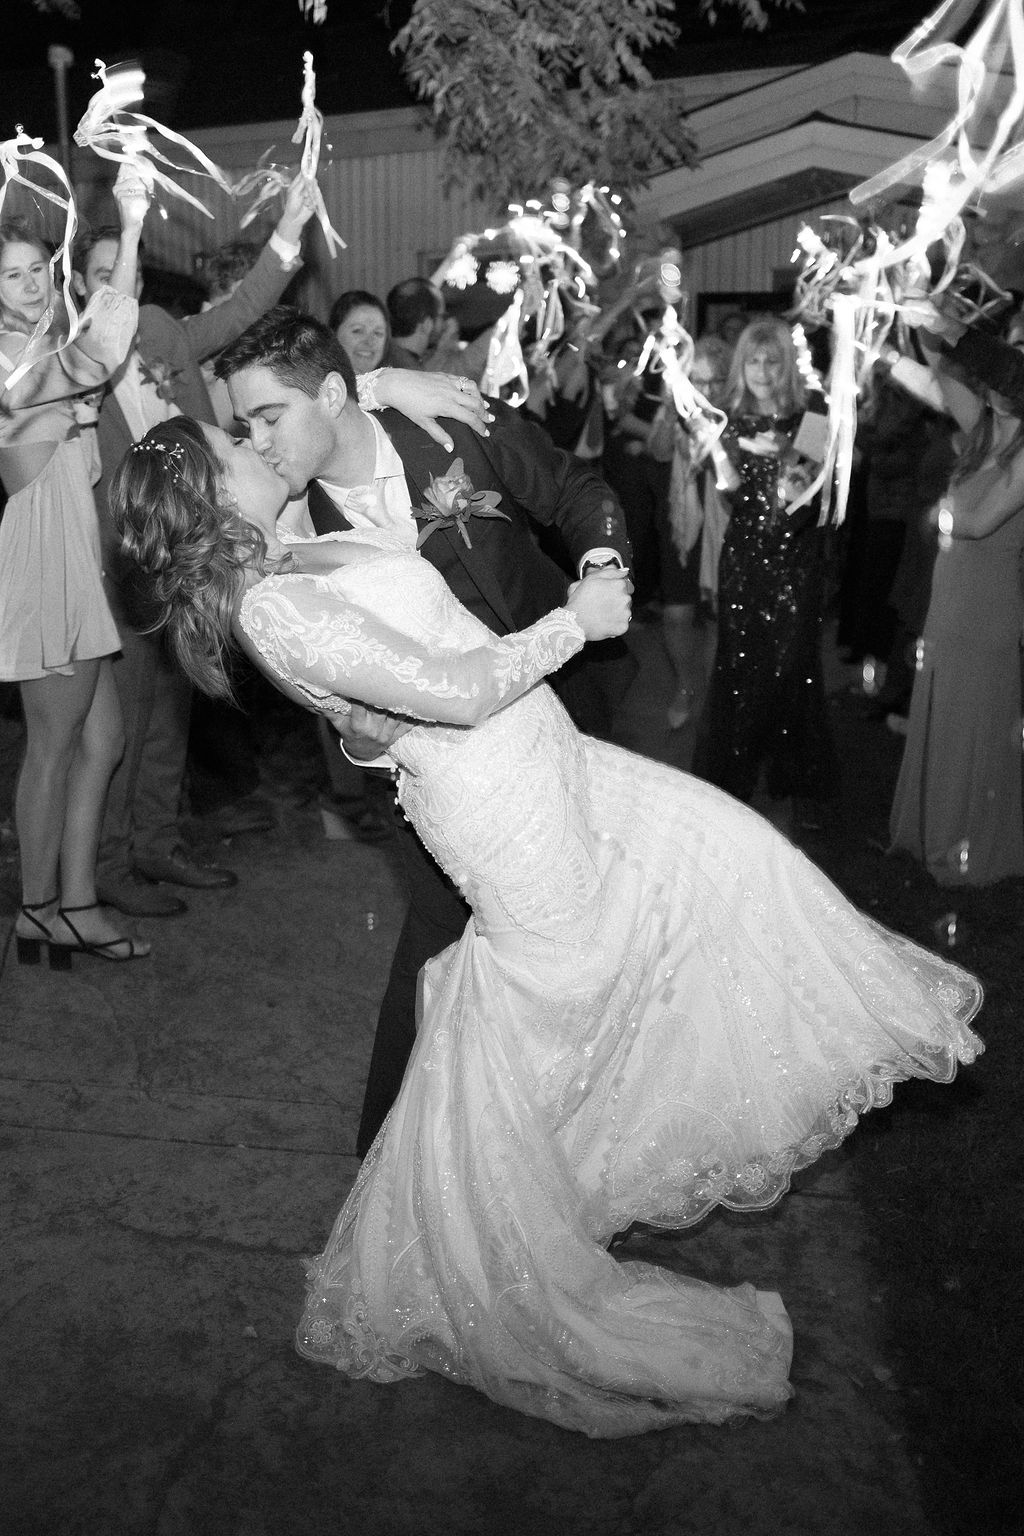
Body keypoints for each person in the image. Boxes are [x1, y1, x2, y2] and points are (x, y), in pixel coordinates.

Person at [111, 412, 983, 1437]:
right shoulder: (269, 608)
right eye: (235, 444)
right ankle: (514, 1252)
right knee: (572, 1002)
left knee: (729, 857)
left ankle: (543, 1188)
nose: (257, 443)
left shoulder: (295, 542)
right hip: (499, 810)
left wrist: (399, 376)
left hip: (549, 763)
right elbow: (461, 687)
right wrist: (580, 618)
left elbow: (380, 674)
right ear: (208, 501)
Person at [213, 309, 632, 1157]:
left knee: (602, 923)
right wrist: (366, 740)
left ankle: (579, 1136)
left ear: (332, 394)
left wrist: (600, 563)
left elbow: (575, 490)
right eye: (243, 427)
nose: (256, 445)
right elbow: (322, 677)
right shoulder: (286, 521)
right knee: (440, 952)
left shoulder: (451, 424)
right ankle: (399, 1167)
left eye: (267, 420)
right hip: (444, 776)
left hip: (567, 699)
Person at [75, 173, 318, 917]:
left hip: (190, 554)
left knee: (173, 708)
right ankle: (110, 861)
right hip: (113, 560)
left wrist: (288, 229)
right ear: (78, 285)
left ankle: (157, 841)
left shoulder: (159, 330)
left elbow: (243, 309)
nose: (125, 286)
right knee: (122, 716)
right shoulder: (67, 358)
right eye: (104, 274)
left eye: (135, 272)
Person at [1, 172, 153, 966]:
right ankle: (38, 912)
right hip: (43, 559)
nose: (30, 287)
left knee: (104, 740)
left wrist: (80, 421)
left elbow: (89, 357)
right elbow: (106, 341)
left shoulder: (39, 354)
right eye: (12, 275)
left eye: (36, 271)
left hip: (72, 551)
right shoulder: (13, 364)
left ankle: (78, 901)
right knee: (55, 746)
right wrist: (129, 228)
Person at [693, 316, 840, 818]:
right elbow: (733, 494)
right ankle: (736, 774)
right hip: (745, 556)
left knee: (790, 663)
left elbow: (801, 496)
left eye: (771, 361)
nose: (761, 371)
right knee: (739, 660)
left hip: (795, 559)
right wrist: (720, 454)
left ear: (787, 367)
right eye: (752, 361)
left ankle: (788, 774)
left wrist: (782, 458)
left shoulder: (813, 415)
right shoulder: (726, 418)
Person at [890, 376, 1024, 885]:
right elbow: (943, 371)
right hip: (951, 597)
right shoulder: (985, 435)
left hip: (987, 607)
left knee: (974, 719)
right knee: (943, 709)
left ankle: (966, 842)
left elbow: (978, 520)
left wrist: (938, 513)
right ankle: (932, 832)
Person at [384, 276, 445, 370]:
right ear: (427, 324)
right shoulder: (412, 371)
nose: (445, 323)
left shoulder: (379, 356)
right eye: (441, 316)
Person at [329, 289, 390, 376]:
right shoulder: (316, 386)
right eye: (358, 331)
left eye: (377, 333)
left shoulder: (394, 384)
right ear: (333, 333)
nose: (369, 341)